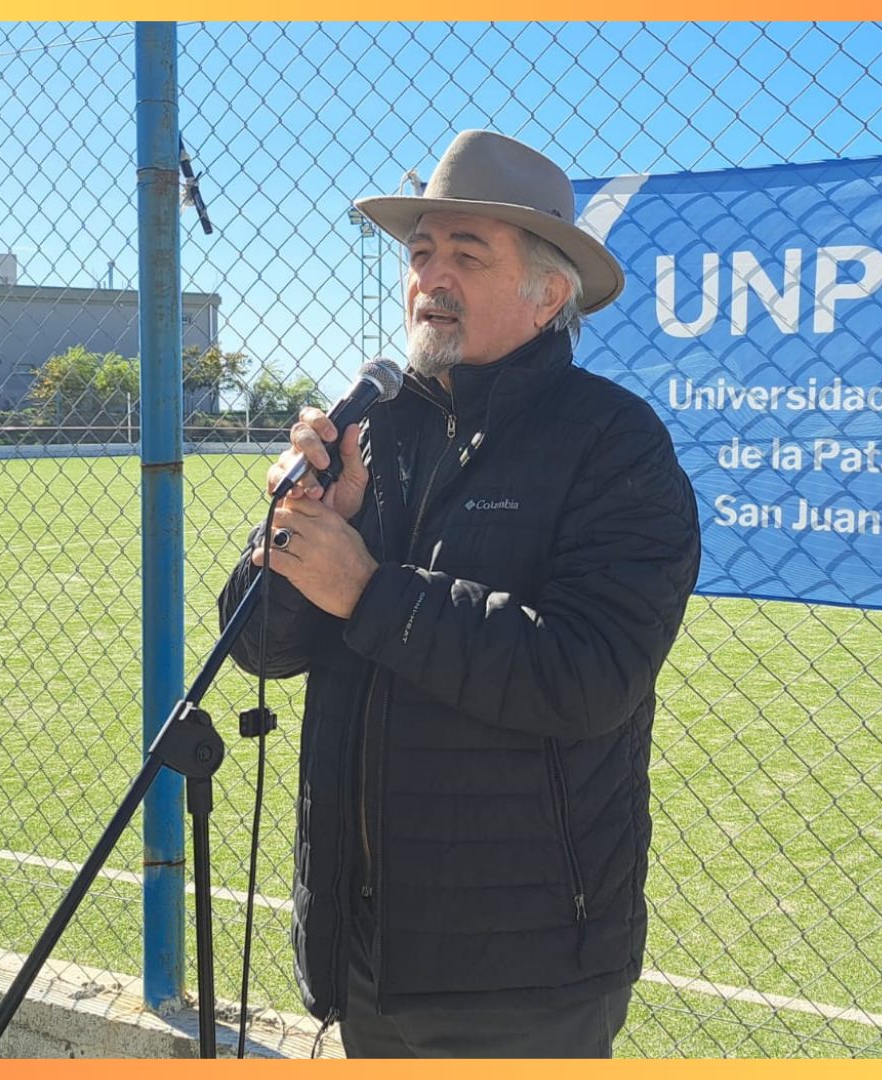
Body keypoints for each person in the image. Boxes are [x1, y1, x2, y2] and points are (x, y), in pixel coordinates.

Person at [218, 130, 701, 1058]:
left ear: (548, 293)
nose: (430, 278)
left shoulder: (613, 441)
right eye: (421, 252)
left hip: (523, 973)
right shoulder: (374, 427)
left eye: (467, 255)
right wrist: (302, 528)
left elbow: (591, 674)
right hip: (363, 949)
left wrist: (369, 590)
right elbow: (260, 649)